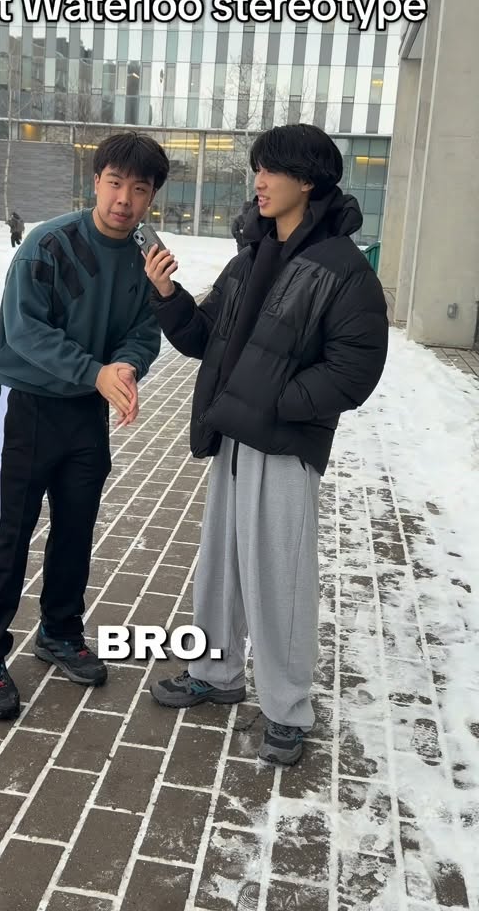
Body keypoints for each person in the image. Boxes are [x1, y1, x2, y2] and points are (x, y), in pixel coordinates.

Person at [143, 123, 388, 767]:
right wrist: (167, 294)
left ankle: (286, 707)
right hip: (231, 436)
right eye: (258, 168)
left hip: (281, 445)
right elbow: (203, 338)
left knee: (279, 578)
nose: (259, 181)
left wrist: (275, 402)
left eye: (271, 169)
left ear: (306, 181)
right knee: (220, 565)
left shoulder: (343, 269)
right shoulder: (250, 256)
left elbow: (354, 370)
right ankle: (216, 673)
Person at [0, 131, 170, 719]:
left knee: (76, 526)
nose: (125, 199)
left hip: (85, 410)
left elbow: (144, 330)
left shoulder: (144, 258)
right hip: (26, 402)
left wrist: (125, 368)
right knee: (7, 531)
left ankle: (59, 631)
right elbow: (24, 330)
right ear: (95, 181)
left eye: (140, 189)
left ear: (151, 197)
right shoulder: (49, 244)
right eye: (115, 183)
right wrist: (96, 372)